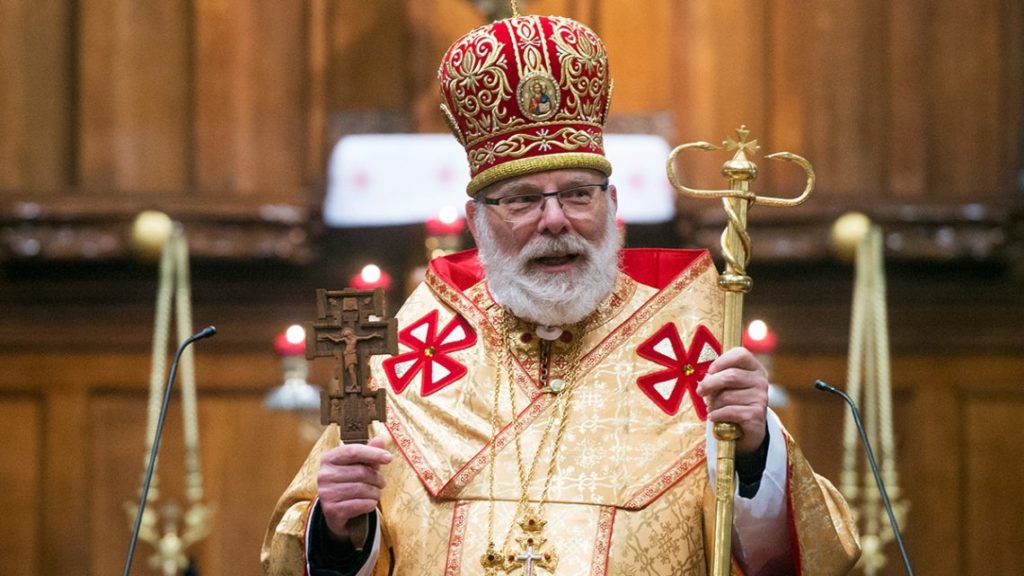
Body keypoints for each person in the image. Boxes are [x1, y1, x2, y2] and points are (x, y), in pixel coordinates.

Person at [262, 13, 860, 576]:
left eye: (578, 194)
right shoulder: (419, 355)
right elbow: (299, 548)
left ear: (614, 207)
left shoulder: (691, 349)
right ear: (476, 224)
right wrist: (337, 526)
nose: (555, 221)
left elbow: (807, 554)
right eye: (522, 200)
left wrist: (754, 449)